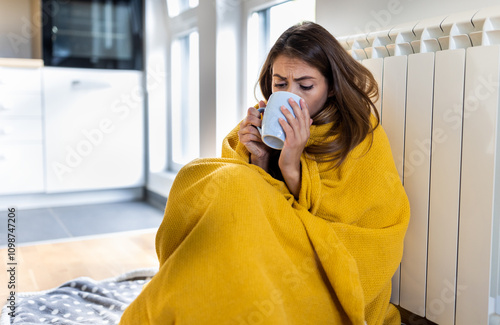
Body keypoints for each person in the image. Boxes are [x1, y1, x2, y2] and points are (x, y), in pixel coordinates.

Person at [120, 22, 409, 325]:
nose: (288, 94)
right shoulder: (261, 119)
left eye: (305, 86)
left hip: (317, 265)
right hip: (260, 246)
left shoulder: (359, 137)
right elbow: (240, 212)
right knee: (199, 175)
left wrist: (290, 165)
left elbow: (359, 233)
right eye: (280, 84)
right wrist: (258, 159)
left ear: (332, 86)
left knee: (235, 183)